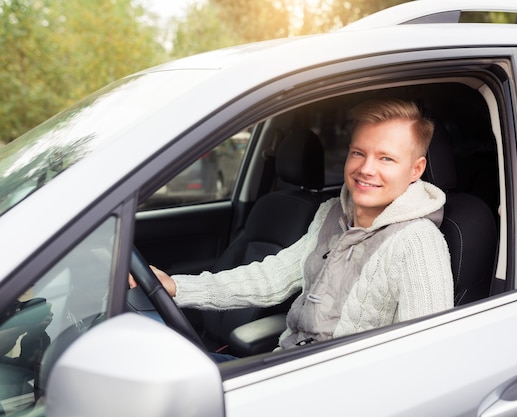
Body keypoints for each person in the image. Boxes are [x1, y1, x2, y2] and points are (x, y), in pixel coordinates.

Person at [146, 98, 454, 354]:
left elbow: (427, 356)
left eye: (386, 158)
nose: (365, 169)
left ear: (416, 169)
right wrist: (178, 287)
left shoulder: (418, 242)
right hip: (288, 364)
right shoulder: (331, 214)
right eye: (358, 152)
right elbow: (271, 278)